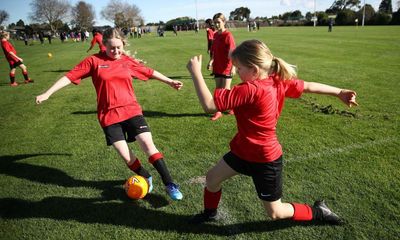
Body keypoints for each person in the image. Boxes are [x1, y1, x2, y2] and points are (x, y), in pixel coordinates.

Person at [186, 39, 358, 224]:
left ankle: (319, 212)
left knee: (275, 212)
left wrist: (196, 73)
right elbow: (307, 85)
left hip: (265, 158)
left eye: (239, 68)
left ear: (254, 70)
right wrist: (339, 91)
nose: (236, 72)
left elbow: (210, 105)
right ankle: (209, 214)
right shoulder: (277, 81)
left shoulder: (250, 89)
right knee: (212, 179)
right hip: (243, 151)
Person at [36, 28, 184, 201]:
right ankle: (145, 175)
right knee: (126, 156)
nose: (116, 52)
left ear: (123, 45)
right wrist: (48, 93)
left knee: (148, 146)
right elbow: (70, 76)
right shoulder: (93, 61)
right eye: (112, 48)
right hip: (109, 117)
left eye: (119, 48)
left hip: (131, 110)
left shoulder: (126, 61)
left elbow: (149, 72)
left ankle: (169, 184)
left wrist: (170, 81)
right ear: (104, 45)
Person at [209, 13, 236, 121]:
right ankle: (218, 111)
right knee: (218, 90)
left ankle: (232, 106)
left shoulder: (228, 35)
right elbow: (214, 51)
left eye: (218, 22)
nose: (216, 24)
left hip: (227, 66)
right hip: (217, 66)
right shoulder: (215, 35)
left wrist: (233, 67)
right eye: (215, 22)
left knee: (225, 90)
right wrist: (211, 61)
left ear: (224, 22)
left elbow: (233, 52)